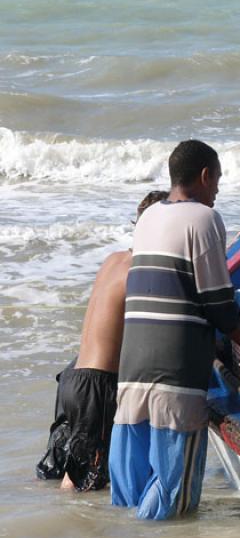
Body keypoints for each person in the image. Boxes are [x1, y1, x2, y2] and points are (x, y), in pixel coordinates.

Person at [109, 140, 240, 520]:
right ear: (205, 176)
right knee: (173, 502)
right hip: (176, 375)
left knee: (130, 495)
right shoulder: (204, 219)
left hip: (132, 370)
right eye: (218, 181)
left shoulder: (148, 218)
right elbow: (218, 304)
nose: (218, 191)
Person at [36, 190, 169, 492]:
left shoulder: (115, 259)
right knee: (80, 485)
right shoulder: (141, 270)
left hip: (72, 379)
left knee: (58, 470)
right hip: (96, 387)